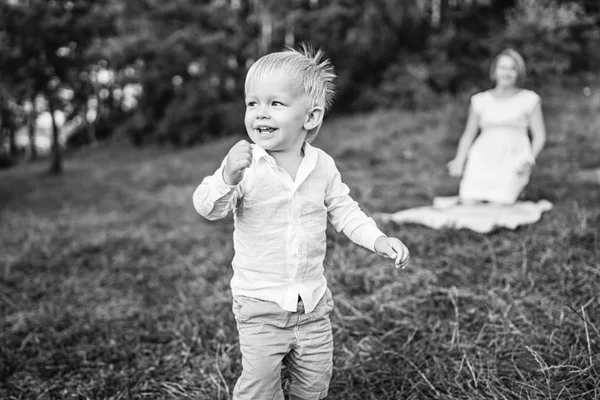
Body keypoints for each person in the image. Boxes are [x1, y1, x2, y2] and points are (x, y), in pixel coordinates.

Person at [192, 44, 410, 400]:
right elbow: (207, 207)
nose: (260, 113)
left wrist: (378, 240)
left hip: (312, 305)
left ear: (309, 118)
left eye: (275, 103)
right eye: (252, 103)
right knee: (260, 389)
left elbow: (345, 210)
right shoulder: (246, 167)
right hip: (259, 304)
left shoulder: (322, 165)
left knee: (314, 385)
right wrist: (227, 176)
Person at [446, 48, 547, 205]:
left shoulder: (529, 99)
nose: (507, 73)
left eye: (512, 69)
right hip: (482, 156)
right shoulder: (480, 100)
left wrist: (529, 159)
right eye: (503, 68)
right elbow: (468, 135)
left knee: (500, 204)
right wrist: (459, 160)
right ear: (494, 72)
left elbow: (539, 135)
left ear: (519, 73)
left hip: (513, 157)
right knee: (469, 202)